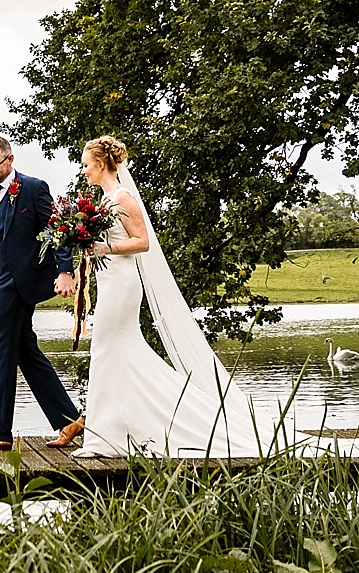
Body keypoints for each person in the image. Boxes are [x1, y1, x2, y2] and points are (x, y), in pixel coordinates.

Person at [59, 134, 286, 458]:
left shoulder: (123, 198)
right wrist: (84, 261)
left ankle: (102, 438)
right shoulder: (102, 203)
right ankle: (114, 433)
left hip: (122, 286)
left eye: (85, 165)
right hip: (108, 283)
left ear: (99, 163)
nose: (83, 171)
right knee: (113, 355)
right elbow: (99, 249)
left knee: (106, 351)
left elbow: (142, 242)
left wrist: (105, 247)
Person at [0, 135, 84, 452]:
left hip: (19, 281)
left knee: (1, 351)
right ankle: (68, 418)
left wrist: (65, 271)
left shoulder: (33, 187)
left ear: (10, 160)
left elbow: (57, 229)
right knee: (25, 350)